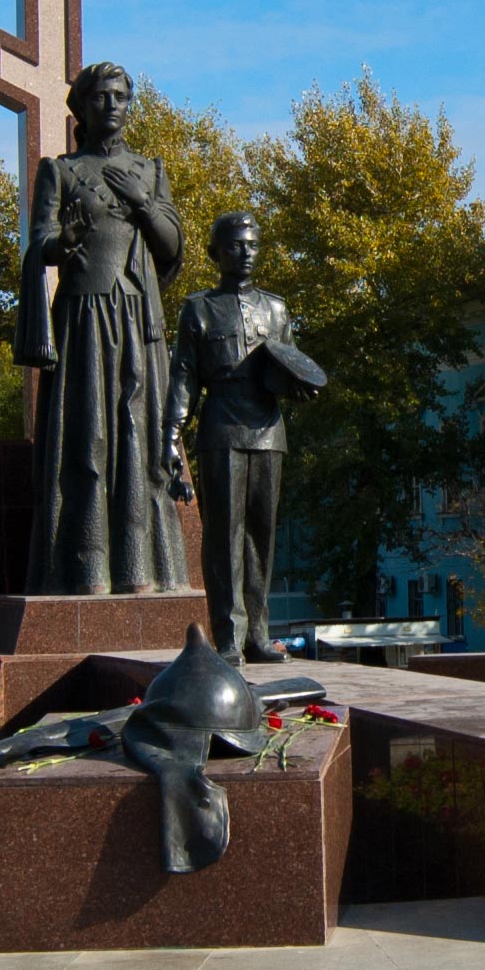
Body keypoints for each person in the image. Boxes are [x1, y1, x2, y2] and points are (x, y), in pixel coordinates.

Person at [15, 62, 192, 596]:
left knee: (140, 436)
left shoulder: (149, 170)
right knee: (87, 439)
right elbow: (40, 244)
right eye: (101, 97)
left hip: (139, 318)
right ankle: (86, 569)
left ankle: (144, 569)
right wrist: (60, 243)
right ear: (82, 107)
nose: (112, 106)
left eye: (120, 97)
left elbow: (172, 247)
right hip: (86, 319)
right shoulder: (61, 171)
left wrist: (140, 203)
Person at [164, 212, 323, 662]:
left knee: (261, 538)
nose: (246, 253)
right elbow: (184, 379)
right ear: (217, 253)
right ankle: (229, 638)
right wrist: (171, 435)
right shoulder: (198, 309)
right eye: (236, 245)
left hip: (268, 433)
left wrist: (299, 389)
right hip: (221, 430)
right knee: (223, 537)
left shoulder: (277, 309)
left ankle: (258, 634)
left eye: (252, 244)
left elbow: (288, 368)